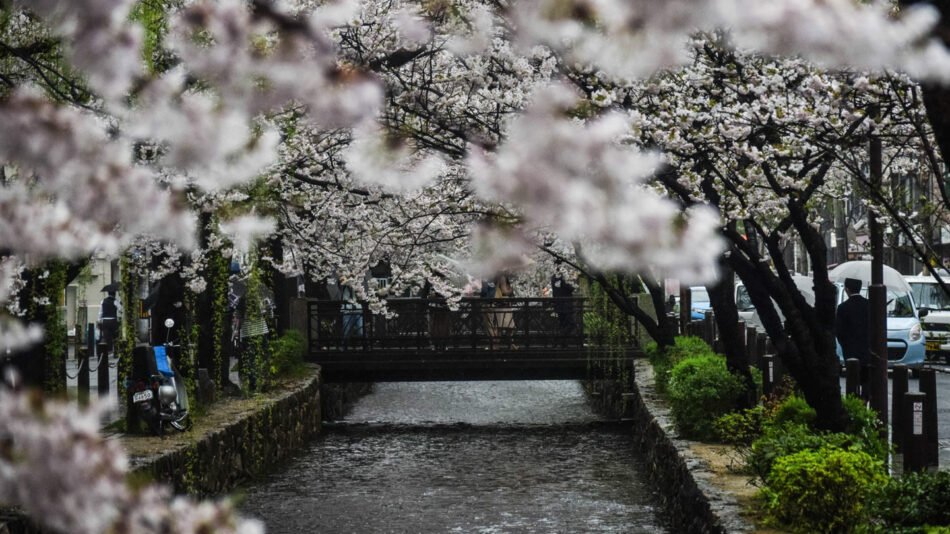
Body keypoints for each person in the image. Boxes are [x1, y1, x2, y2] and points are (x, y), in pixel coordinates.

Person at [835, 277, 870, 401]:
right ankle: (865, 399)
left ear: (847, 289)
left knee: (852, 377)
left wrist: (844, 343)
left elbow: (839, 331)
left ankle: (853, 400)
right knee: (866, 376)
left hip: (850, 348)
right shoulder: (869, 305)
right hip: (867, 348)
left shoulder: (843, 307)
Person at [551, 272, 577, 339]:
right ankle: (561, 337)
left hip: (558, 304)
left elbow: (554, 292)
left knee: (562, 324)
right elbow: (572, 288)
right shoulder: (564, 276)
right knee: (571, 323)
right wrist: (574, 278)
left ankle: (562, 342)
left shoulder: (553, 277)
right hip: (566, 305)